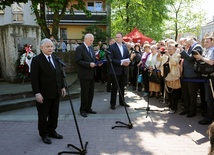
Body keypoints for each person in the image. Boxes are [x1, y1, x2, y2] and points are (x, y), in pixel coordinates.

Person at [30, 38, 66, 144]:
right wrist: (37, 93)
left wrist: (62, 87)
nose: (51, 48)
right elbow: (34, 79)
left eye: (51, 46)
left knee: (54, 114)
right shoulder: (37, 60)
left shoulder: (55, 58)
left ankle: (52, 131)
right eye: (48, 46)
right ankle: (44, 134)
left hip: (55, 92)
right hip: (43, 94)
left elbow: (59, 74)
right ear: (42, 48)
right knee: (43, 115)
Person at [179, 36, 203, 117]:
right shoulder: (190, 47)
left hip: (193, 75)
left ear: (192, 38)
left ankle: (192, 111)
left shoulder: (197, 47)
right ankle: (186, 109)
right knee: (185, 93)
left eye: (187, 39)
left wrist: (182, 50)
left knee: (192, 94)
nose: (185, 40)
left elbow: (190, 59)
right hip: (186, 74)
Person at [75, 33, 98, 117]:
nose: (92, 42)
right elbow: (78, 61)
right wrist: (89, 64)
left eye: (92, 40)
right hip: (84, 75)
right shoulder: (79, 48)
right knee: (84, 93)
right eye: (91, 40)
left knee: (91, 93)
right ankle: (83, 109)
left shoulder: (91, 48)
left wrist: (97, 63)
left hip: (92, 74)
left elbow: (93, 59)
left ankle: (88, 108)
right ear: (86, 39)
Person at [193, 35, 214, 125]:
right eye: (204, 41)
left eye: (207, 41)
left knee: (209, 98)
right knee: (207, 98)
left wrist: (201, 57)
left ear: (212, 42)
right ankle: (209, 115)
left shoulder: (212, 50)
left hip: (211, 77)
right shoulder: (207, 50)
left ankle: (209, 118)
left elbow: (211, 62)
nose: (205, 43)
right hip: (206, 76)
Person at [108, 32, 130, 110]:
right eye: (116, 37)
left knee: (122, 87)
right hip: (115, 70)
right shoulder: (111, 47)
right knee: (114, 87)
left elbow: (127, 56)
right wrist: (121, 62)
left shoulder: (124, 46)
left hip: (123, 70)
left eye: (119, 37)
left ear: (122, 38)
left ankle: (122, 101)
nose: (117, 38)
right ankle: (112, 104)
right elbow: (111, 59)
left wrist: (128, 61)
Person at [157, 42, 181, 114]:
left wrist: (169, 56)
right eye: (168, 49)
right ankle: (170, 105)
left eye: (171, 49)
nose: (169, 50)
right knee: (169, 92)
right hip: (166, 76)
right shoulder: (165, 55)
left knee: (174, 93)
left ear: (174, 49)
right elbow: (159, 60)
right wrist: (158, 54)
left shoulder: (177, 55)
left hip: (173, 76)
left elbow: (175, 63)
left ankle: (174, 108)